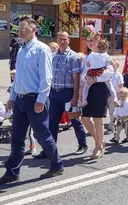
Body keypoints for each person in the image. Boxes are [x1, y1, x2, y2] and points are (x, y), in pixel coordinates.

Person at [0, 17, 63, 184]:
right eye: (19, 27)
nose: (20, 30)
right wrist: (12, 98)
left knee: (42, 135)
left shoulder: (42, 49)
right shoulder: (21, 49)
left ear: (34, 30)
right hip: (20, 100)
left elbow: (47, 78)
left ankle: (56, 164)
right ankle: (12, 172)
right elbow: (18, 77)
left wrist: (41, 100)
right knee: (17, 137)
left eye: (23, 27)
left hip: (35, 99)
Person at [36, 32, 87, 160]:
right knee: (52, 123)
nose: (62, 41)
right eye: (60, 39)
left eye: (64, 39)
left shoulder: (73, 57)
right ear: (57, 40)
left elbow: (76, 79)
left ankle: (82, 145)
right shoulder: (52, 56)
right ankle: (50, 150)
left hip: (68, 93)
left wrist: (75, 96)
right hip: (54, 93)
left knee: (74, 120)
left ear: (69, 40)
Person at [79, 34, 115, 159]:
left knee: (97, 118)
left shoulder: (103, 56)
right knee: (84, 118)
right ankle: (100, 140)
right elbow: (83, 74)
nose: (90, 43)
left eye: (93, 40)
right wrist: (87, 78)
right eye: (88, 40)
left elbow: (110, 71)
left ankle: (98, 147)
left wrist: (95, 78)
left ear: (99, 41)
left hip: (100, 88)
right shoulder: (88, 57)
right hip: (89, 88)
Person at [79, 39, 117, 108]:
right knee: (110, 85)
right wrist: (114, 65)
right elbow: (112, 62)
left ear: (97, 46)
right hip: (101, 71)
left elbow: (87, 64)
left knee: (86, 87)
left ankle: (84, 100)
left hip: (92, 72)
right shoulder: (105, 55)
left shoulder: (92, 54)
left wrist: (94, 77)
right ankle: (115, 98)